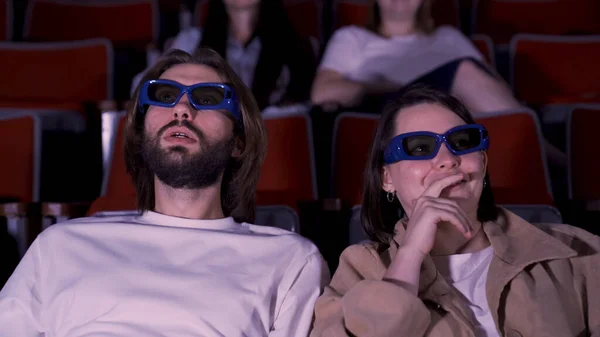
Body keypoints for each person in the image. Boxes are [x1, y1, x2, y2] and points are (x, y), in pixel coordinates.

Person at [0, 48, 329, 337]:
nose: (182, 109)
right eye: (163, 94)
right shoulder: (60, 244)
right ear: (142, 133)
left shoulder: (289, 260)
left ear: (239, 142)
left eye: (209, 98)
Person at [310, 85, 600, 337]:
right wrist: (410, 254)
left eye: (462, 142)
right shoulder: (360, 270)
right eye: (420, 148)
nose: (447, 160)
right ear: (387, 178)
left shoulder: (578, 251)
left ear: (482, 164)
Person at [311, 0, 520, 114]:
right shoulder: (352, 37)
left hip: (452, 115)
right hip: (390, 113)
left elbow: (495, 88)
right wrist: (386, 86)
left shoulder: (449, 36)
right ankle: (536, 149)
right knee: (464, 72)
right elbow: (322, 93)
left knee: (467, 79)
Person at [132, 0, 317, 110]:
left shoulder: (298, 46)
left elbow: (306, 106)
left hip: (276, 145)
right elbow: (142, 87)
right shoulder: (191, 42)